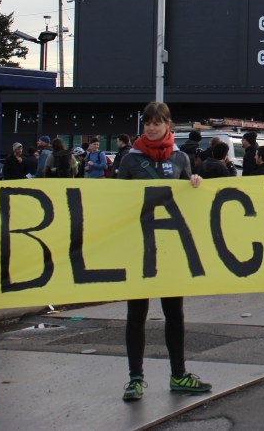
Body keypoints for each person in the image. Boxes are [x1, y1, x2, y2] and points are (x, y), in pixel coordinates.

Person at [115, 101, 211, 401]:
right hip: (139, 246)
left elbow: (189, 201)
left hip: (170, 248)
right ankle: (135, 379)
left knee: (174, 313)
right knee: (136, 314)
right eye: (147, 122)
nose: (152, 127)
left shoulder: (181, 158)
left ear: (168, 124)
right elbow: (115, 202)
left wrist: (196, 184)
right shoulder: (130, 160)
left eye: (157, 122)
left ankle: (179, 374)